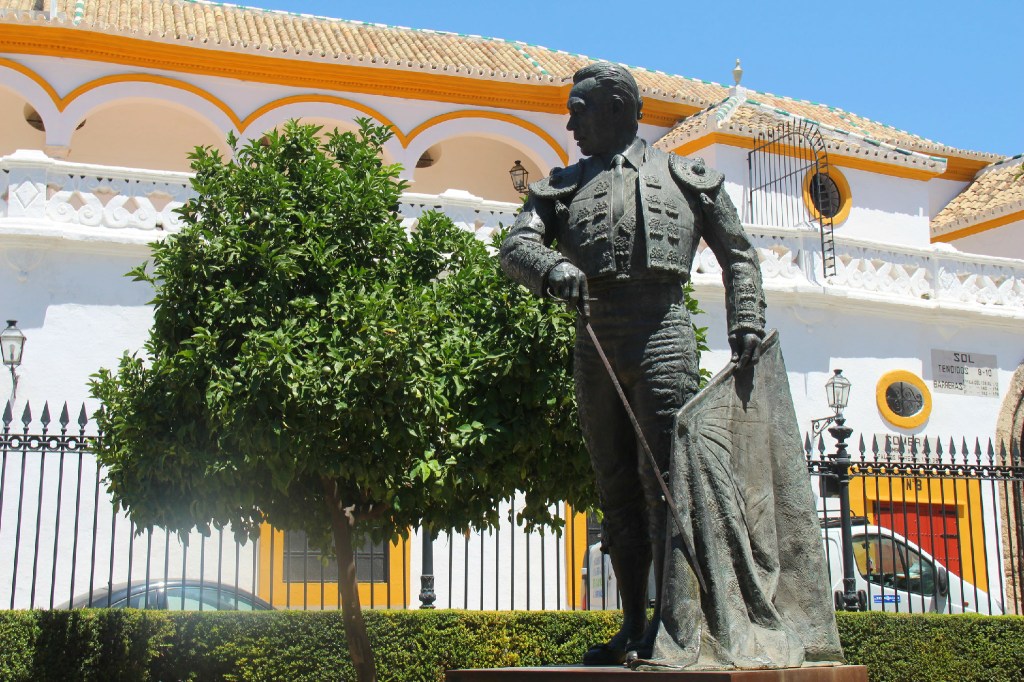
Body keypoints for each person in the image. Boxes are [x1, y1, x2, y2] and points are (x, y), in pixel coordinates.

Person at [500, 61, 766, 664]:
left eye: (579, 110)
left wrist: (745, 321)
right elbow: (513, 246)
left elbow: (740, 255)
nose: (569, 123)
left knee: (669, 482)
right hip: (596, 335)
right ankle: (631, 627)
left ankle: (677, 631)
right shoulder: (562, 185)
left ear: (618, 108)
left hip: (663, 329)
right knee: (616, 488)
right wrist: (551, 269)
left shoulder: (685, 176)